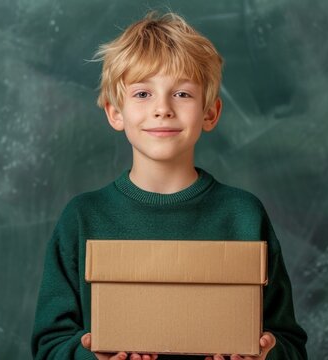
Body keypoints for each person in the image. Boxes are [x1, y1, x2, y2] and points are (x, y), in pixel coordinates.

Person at [31, 11, 308, 360]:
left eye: (182, 94)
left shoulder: (243, 215)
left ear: (210, 113)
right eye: (143, 93)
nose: (162, 109)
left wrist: (267, 354)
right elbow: (49, 346)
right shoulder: (82, 218)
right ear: (116, 112)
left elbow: (291, 346)